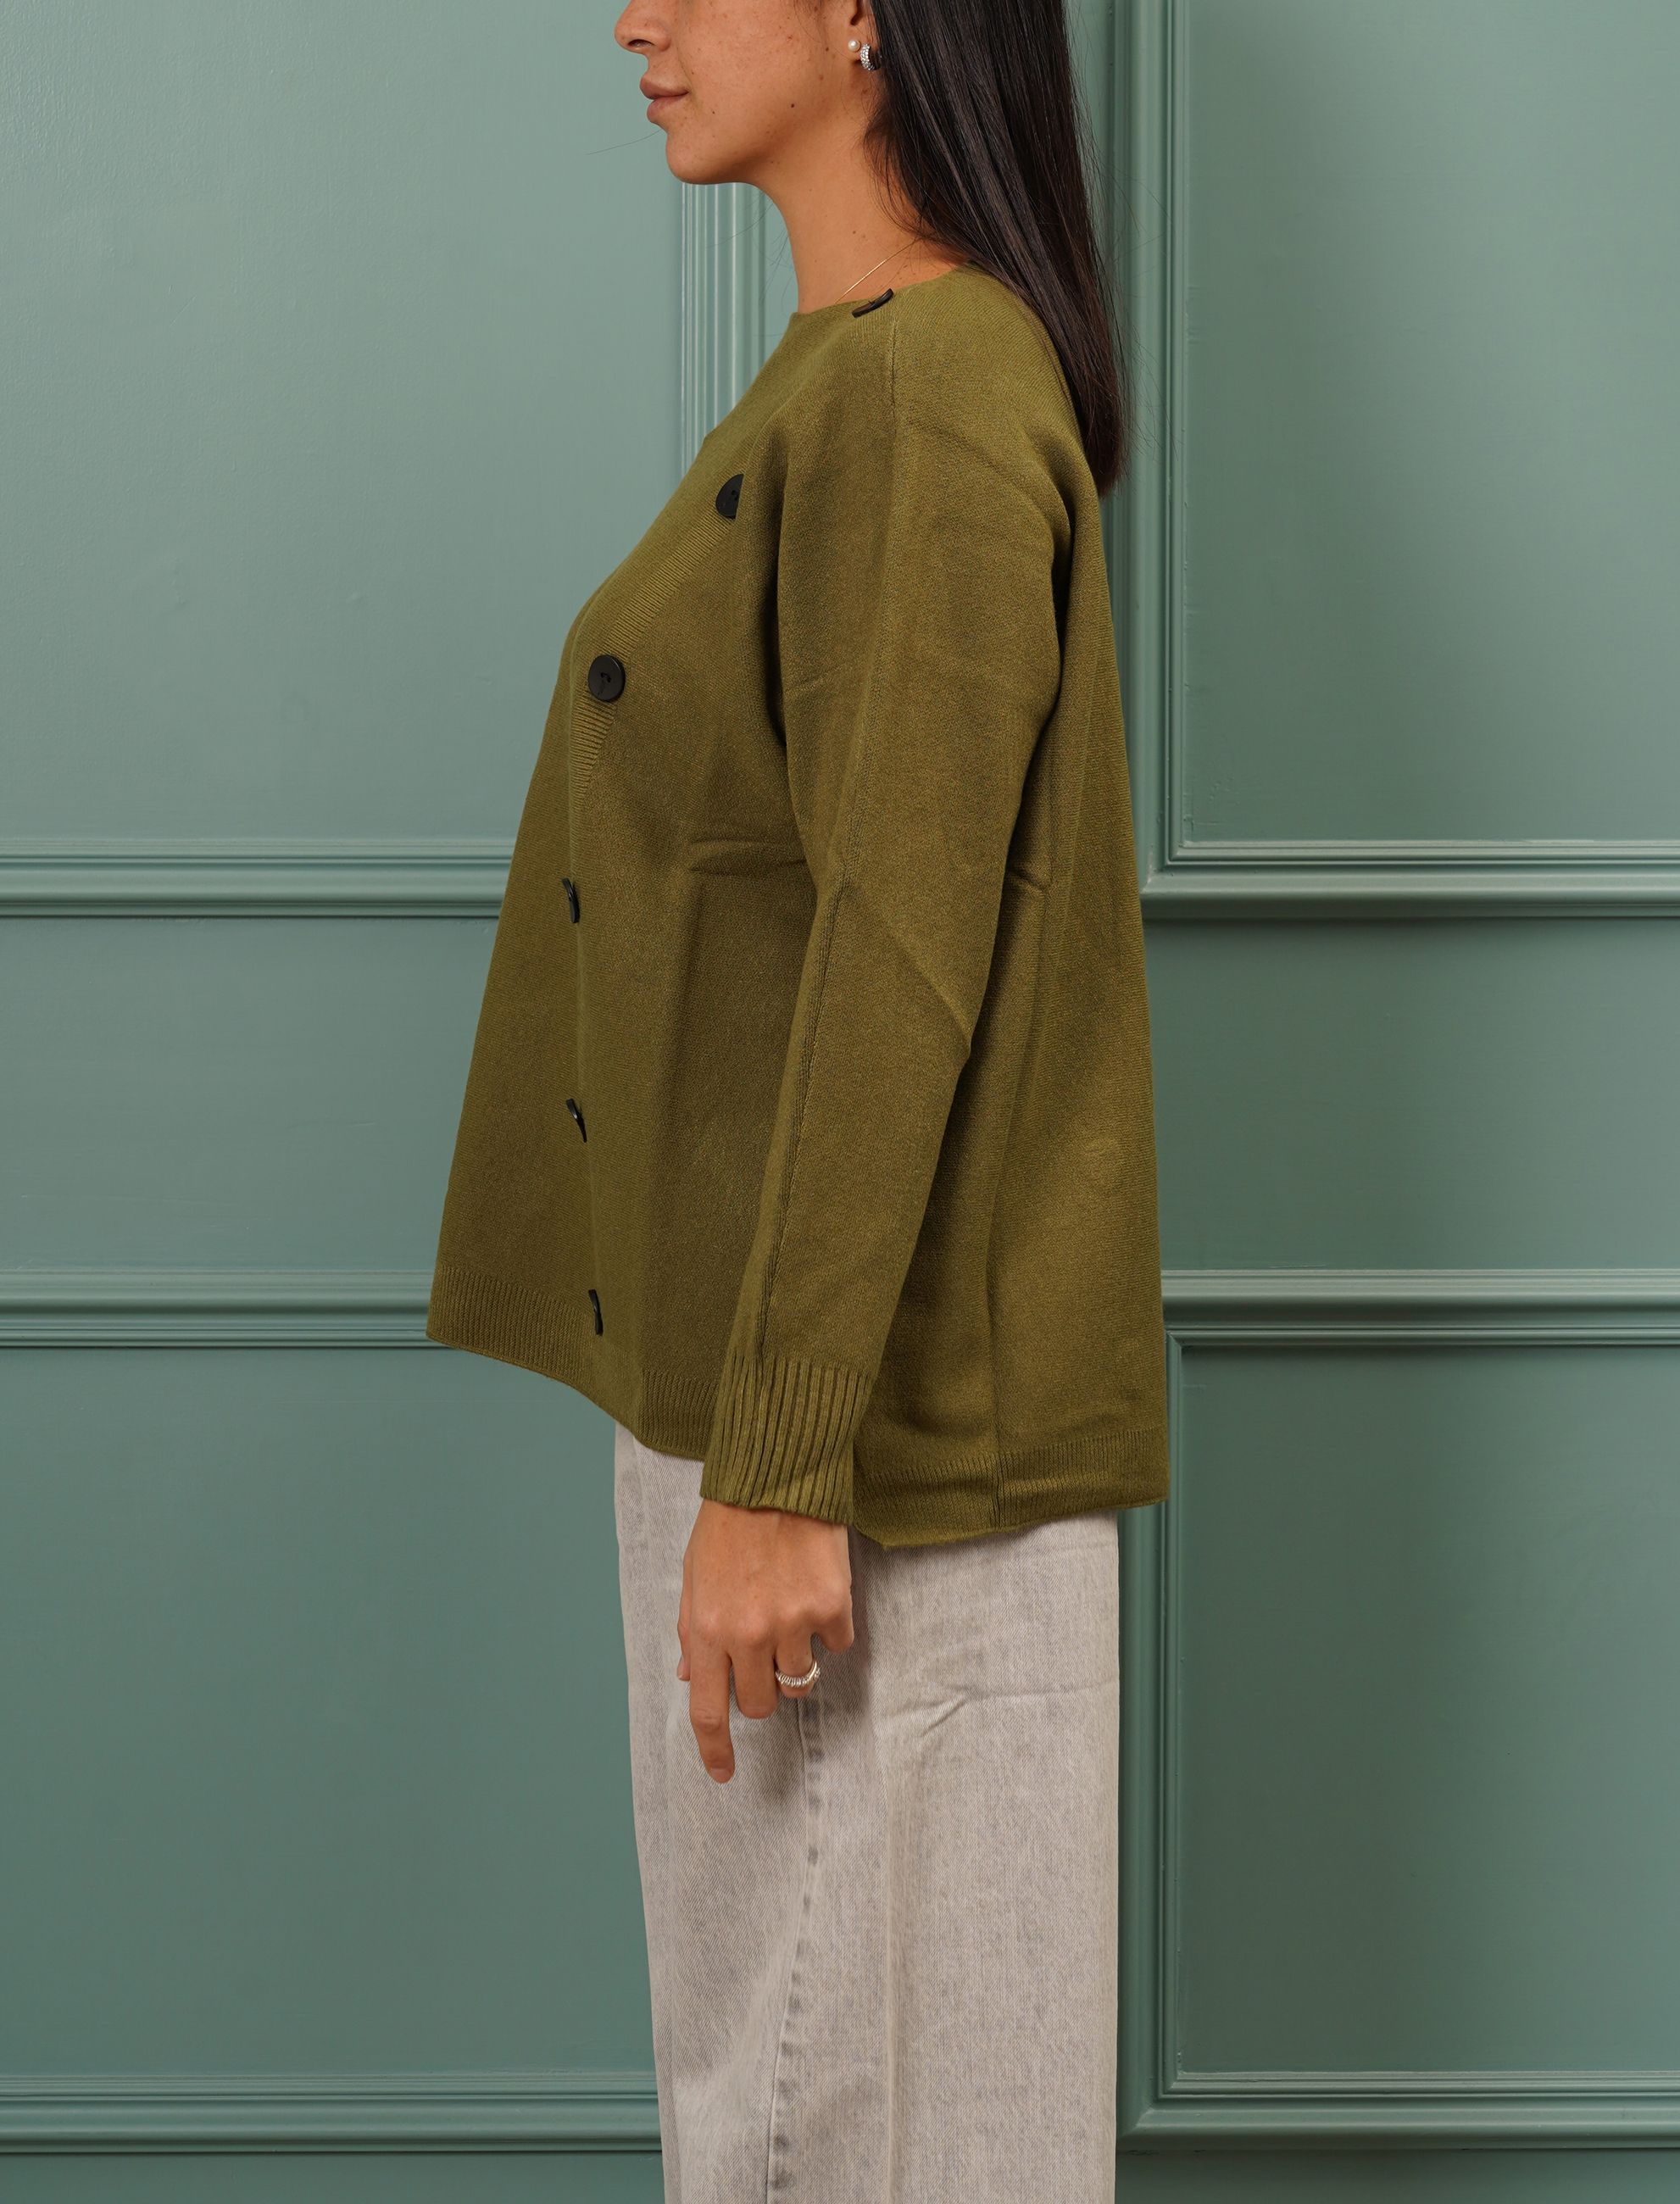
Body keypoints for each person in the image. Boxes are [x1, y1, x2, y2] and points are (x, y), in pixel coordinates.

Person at [424, 2, 1171, 2195]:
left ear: (867, 13)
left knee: (842, 2131)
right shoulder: (853, 375)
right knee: (793, 2110)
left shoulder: (929, 394)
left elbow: (900, 957)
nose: (635, 17)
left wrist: (775, 1468)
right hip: (785, 1402)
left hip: (855, 1454)